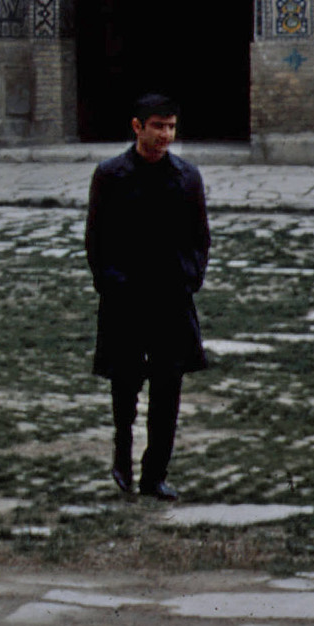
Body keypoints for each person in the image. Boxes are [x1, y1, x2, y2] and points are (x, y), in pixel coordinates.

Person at [83, 92, 210, 500]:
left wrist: (190, 278)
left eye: (171, 127)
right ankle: (122, 457)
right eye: (158, 126)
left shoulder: (187, 177)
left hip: (171, 298)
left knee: (168, 389)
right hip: (126, 298)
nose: (166, 135)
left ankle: (155, 473)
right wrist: (111, 282)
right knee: (124, 385)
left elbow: (199, 237)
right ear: (138, 127)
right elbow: (96, 238)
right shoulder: (111, 175)